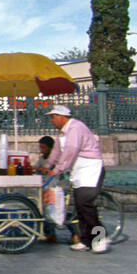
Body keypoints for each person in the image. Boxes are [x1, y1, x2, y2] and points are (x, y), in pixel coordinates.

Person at [42, 104, 108, 253]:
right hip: (79, 170)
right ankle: (86, 240)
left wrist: (58, 169)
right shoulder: (62, 134)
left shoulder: (75, 128)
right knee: (79, 206)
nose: (52, 121)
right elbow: (57, 151)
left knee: (86, 204)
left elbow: (71, 150)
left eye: (53, 117)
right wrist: (48, 165)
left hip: (91, 168)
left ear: (62, 117)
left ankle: (100, 238)